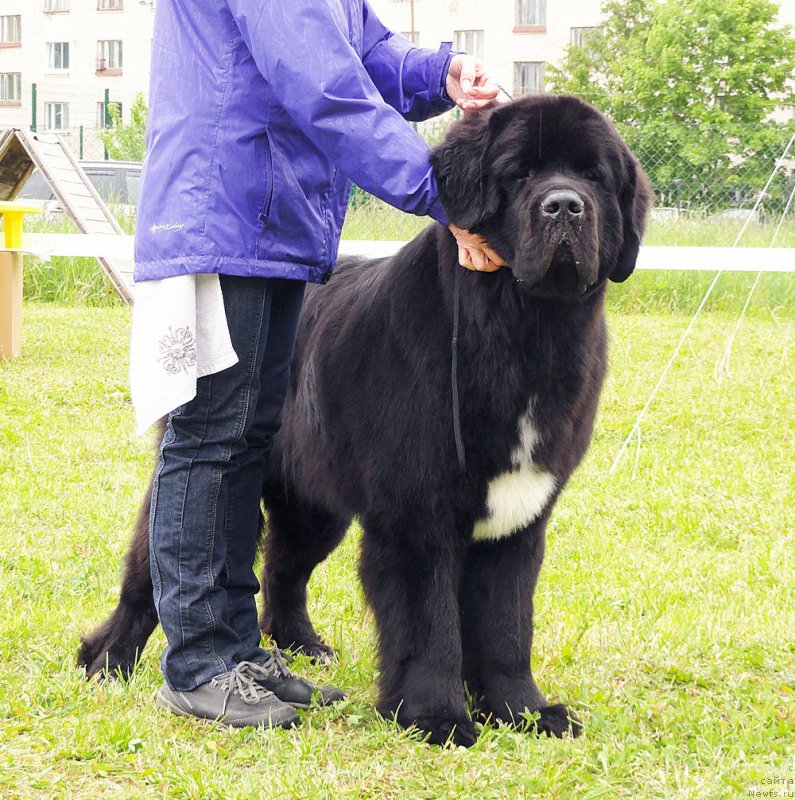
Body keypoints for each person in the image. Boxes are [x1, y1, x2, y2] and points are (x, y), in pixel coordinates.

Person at [130, 0, 505, 729]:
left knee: (246, 438)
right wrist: (441, 193)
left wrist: (442, 73)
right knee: (211, 436)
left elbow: (360, 52)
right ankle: (200, 665)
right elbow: (322, 83)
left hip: (273, 222)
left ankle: (235, 652)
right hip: (220, 211)